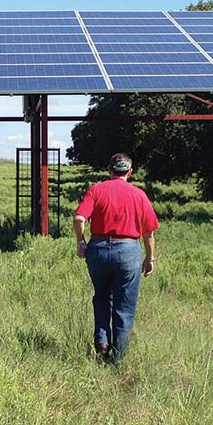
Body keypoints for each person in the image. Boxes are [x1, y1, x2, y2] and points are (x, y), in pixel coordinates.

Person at [74, 153, 159, 363]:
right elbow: (149, 233)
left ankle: (102, 344)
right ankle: (119, 356)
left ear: (109, 170)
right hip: (128, 251)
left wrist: (81, 242)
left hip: (99, 249)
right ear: (129, 172)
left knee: (102, 297)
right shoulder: (139, 195)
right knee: (125, 304)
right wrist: (150, 258)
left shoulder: (97, 190)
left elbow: (79, 218)